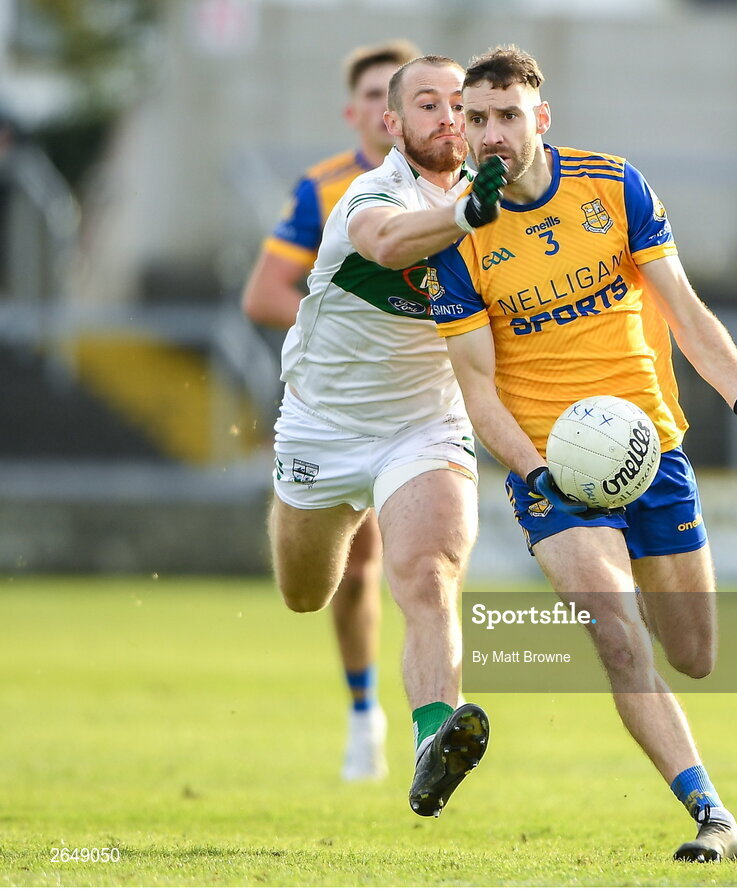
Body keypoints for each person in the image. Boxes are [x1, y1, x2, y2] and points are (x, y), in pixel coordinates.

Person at [428, 46, 737, 861]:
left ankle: (713, 809)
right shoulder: (453, 239)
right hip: (550, 469)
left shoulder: (614, 185)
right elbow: (477, 393)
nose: (491, 134)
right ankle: (715, 819)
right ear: (461, 125)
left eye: (507, 116)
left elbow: (684, 310)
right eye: (476, 119)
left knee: (694, 654)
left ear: (542, 116)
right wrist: (539, 475)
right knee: (614, 630)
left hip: (650, 452)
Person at [269, 52, 507, 817]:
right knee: (306, 595)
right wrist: (465, 217)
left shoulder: (502, 197)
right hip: (323, 426)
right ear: (391, 124)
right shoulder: (372, 192)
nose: (447, 118)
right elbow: (386, 243)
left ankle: (434, 741)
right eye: (428, 104)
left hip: (423, 424)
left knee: (428, 576)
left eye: (459, 107)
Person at [242, 40, 418, 782]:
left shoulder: (456, 187)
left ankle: (433, 721)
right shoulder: (322, 190)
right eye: (373, 96)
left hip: (421, 404)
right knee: (352, 573)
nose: (387, 110)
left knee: (423, 562)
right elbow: (264, 293)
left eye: (398, 95)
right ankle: (362, 712)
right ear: (355, 113)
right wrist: (349, 324)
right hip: (337, 406)